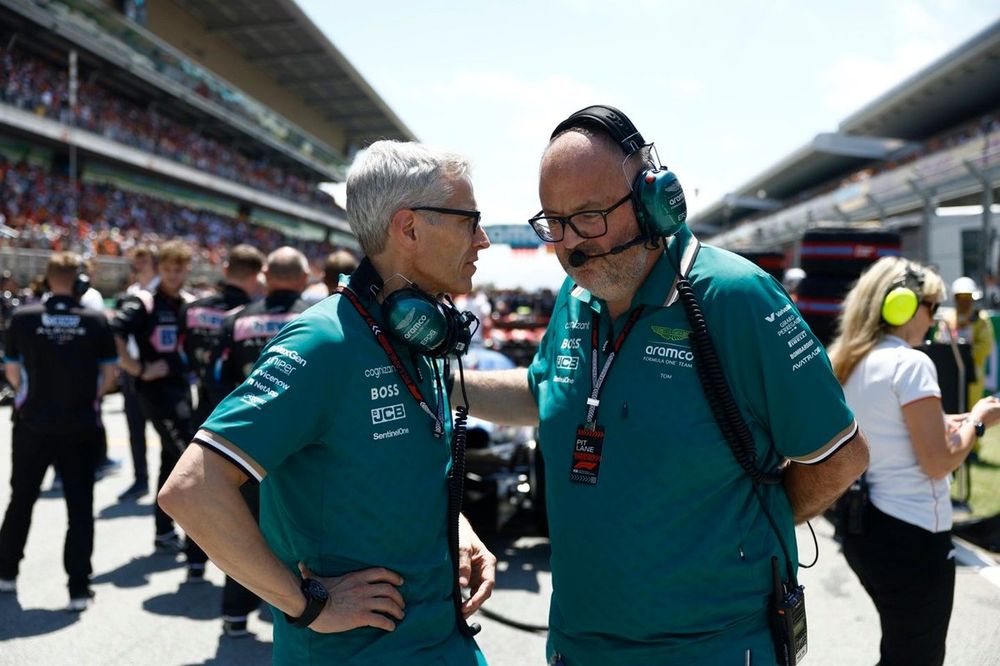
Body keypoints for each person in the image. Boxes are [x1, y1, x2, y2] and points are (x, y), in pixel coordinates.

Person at [458, 105, 869, 665]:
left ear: (655, 201)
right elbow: (543, 394)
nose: (570, 245)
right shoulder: (575, 300)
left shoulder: (738, 299)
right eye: (554, 222)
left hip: (712, 647)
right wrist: (447, 382)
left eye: (590, 216)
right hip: (579, 645)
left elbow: (839, 456)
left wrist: (739, 528)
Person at [159, 140, 496, 664]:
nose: (483, 239)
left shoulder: (414, 335)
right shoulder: (324, 343)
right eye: (468, 220)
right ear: (408, 228)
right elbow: (192, 490)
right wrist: (307, 605)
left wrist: (457, 526)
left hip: (446, 641)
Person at [827, 257, 1000, 666]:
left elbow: (886, 430)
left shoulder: (846, 362)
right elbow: (938, 463)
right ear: (902, 306)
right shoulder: (911, 363)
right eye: (932, 306)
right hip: (913, 537)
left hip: (864, 532)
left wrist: (943, 421)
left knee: (900, 651)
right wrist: (976, 421)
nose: (934, 317)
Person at [0, 252, 117, 610]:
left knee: (21, 500)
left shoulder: (23, 317)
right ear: (78, 280)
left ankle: (6, 574)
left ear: (48, 279)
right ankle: (79, 589)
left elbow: (13, 373)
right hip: (80, 425)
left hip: (33, 423)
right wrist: (86, 398)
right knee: (80, 508)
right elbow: (110, 376)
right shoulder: (95, 320)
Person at [212, 246, 311, 638]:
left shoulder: (236, 321)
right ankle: (299, 610)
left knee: (244, 530)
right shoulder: (317, 318)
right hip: (305, 450)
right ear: (304, 279)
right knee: (301, 531)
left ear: (266, 276)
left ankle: (235, 613)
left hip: (246, 444)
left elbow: (216, 385)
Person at [110, 240, 207, 578]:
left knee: (170, 458)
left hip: (181, 389)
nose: (173, 275)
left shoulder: (189, 303)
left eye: (179, 269)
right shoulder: (144, 301)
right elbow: (114, 331)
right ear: (159, 268)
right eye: (167, 268)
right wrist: (136, 368)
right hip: (153, 391)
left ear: (187, 269)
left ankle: (164, 532)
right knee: (186, 460)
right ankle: (199, 538)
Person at [178, 243, 264, 425]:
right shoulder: (254, 317)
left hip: (200, 405)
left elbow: (180, 351)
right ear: (257, 276)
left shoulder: (191, 309)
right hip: (243, 412)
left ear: (225, 270)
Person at [116, 244, 159, 501]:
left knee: (168, 431)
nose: (137, 265)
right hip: (132, 368)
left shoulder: (164, 293)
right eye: (135, 261)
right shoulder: (132, 292)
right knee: (134, 427)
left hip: (157, 369)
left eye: (142, 260)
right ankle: (140, 479)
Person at [943, 276, 995, 406]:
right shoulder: (948, 318)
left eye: (967, 297)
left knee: (972, 410)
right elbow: (940, 340)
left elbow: (986, 345)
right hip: (951, 372)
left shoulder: (981, 319)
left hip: (973, 376)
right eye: (961, 297)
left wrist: (966, 353)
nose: (964, 301)